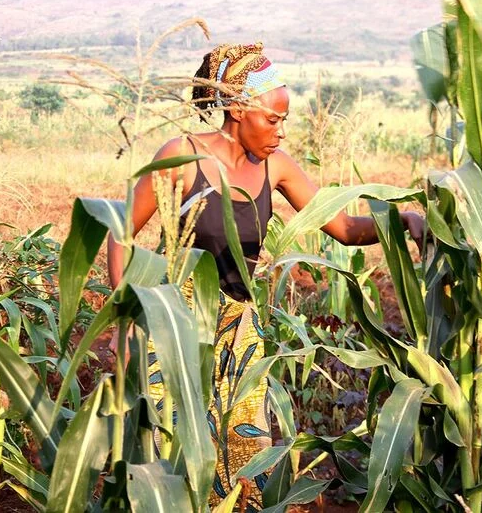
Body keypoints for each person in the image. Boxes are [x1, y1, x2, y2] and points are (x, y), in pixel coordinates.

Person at [106, 42, 424, 509]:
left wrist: (401, 219)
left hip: (239, 333)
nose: (281, 132)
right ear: (237, 109)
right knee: (171, 450)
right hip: (174, 325)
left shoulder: (276, 167)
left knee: (244, 457)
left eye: (284, 120)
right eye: (273, 120)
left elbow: (342, 228)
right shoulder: (183, 156)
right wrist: (124, 320)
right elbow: (119, 232)